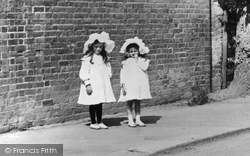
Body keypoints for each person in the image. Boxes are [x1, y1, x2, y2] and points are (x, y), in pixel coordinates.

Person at [78, 32, 116, 130]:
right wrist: (87, 84)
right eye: (96, 46)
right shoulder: (88, 58)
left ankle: (99, 121)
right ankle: (93, 122)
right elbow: (84, 72)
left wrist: (108, 75)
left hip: (101, 83)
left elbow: (108, 69)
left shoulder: (104, 58)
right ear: (92, 47)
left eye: (100, 47)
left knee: (99, 102)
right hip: (93, 83)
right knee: (93, 102)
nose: (98, 49)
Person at [118, 37, 152, 127]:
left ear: (139, 51)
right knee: (129, 102)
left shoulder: (143, 60)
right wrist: (123, 85)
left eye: (135, 51)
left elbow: (145, 68)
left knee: (137, 102)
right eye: (131, 51)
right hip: (129, 84)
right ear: (128, 53)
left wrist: (137, 60)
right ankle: (130, 119)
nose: (133, 53)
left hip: (138, 84)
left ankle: (138, 119)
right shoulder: (125, 62)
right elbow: (123, 74)